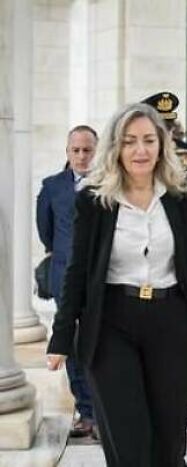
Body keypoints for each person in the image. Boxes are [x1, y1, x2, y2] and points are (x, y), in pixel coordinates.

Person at [46, 103, 187, 467]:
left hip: (171, 321)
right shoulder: (94, 201)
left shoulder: (182, 196)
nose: (140, 150)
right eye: (130, 141)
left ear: (162, 145)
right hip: (111, 324)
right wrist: (61, 337)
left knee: (169, 444)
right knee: (128, 442)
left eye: (149, 140)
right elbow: (77, 272)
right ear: (115, 148)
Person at [37, 125, 98, 439]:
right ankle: (86, 412)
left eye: (87, 150)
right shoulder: (52, 187)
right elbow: (45, 231)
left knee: (101, 343)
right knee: (71, 344)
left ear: (97, 151)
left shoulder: (109, 184)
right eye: (76, 150)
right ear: (67, 152)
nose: (82, 156)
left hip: (101, 278)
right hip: (65, 278)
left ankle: (103, 413)